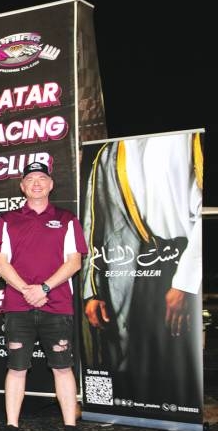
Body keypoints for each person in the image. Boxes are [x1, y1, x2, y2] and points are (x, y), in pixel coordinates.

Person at [81, 134, 203, 408]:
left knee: (181, 362)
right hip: (138, 275)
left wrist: (185, 282)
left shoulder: (190, 139)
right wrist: (93, 290)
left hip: (187, 269)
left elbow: (203, 214)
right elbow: (94, 227)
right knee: (137, 359)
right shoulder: (108, 153)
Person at [0, 161, 88, 431]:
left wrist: (44, 288)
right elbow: (0, 262)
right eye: (30, 178)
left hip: (56, 304)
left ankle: (70, 429)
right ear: (22, 186)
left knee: (62, 367)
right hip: (18, 305)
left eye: (42, 178)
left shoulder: (67, 218)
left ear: (51, 185)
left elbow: (75, 261)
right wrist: (26, 290)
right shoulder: (7, 220)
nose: (36, 183)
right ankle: (11, 428)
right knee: (16, 368)